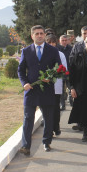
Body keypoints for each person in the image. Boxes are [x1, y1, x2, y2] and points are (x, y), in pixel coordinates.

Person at [18, 25, 62, 155]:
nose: (39, 36)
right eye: (36, 34)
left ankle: (46, 142)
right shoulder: (26, 51)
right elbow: (20, 70)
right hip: (30, 90)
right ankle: (26, 146)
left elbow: (59, 68)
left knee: (48, 118)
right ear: (32, 36)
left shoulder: (52, 51)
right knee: (28, 118)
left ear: (44, 35)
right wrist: (24, 83)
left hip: (47, 89)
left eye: (41, 33)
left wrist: (51, 77)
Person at [46, 34, 68, 136]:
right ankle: (49, 130)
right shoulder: (42, 54)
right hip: (45, 86)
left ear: (56, 43)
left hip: (56, 85)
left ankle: (56, 127)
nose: (51, 44)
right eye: (48, 42)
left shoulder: (60, 54)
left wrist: (55, 73)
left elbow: (64, 69)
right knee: (47, 109)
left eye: (53, 42)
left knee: (55, 108)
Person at [57, 35, 73, 110]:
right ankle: (62, 105)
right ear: (59, 41)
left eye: (65, 40)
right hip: (60, 72)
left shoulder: (71, 49)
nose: (64, 42)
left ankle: (71, 101)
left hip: (69, 72)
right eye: (62, 40)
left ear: (68, 41)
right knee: (61, 89)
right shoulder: (57, 49)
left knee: (71, 87)